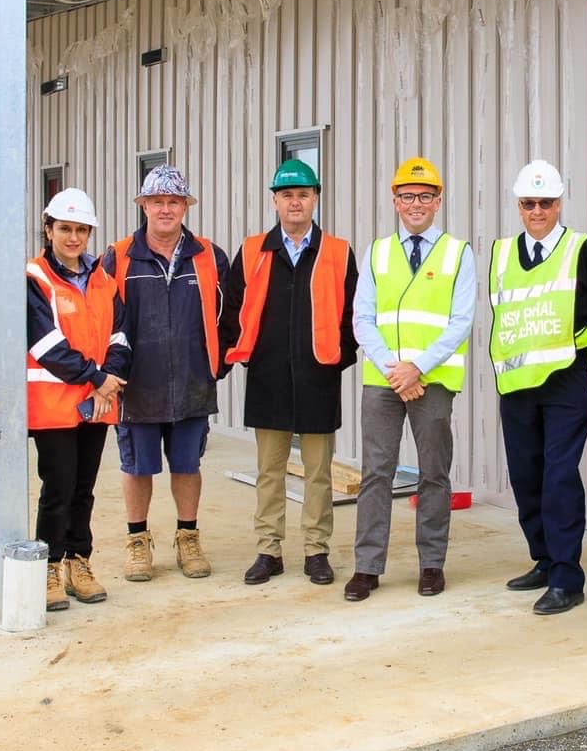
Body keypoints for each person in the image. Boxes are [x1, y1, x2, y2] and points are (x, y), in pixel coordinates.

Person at [218, 159, 358, 587]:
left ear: (315, 199)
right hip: (268, 376)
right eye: (287, 195)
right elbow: (231, 311)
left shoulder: (337, 252)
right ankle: (269, 551)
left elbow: (354, 315)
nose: (295, 202)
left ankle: (317, 551)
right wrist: (240, 358)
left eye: (303, 194)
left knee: (318, 471)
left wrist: (337, 361)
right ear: (274, 200)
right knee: (269, 470)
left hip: (319, 377)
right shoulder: (252, 250)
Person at [489, 160, 587, 616]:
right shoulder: (502, 253)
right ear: (519, 206)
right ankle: (543, 560)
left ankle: (568, 576)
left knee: (559, 477)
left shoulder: (583, 248)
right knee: (526, 475)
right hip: (517, 385)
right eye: (529, 203)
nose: (538, 211)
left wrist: (576, 352)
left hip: (566, 381)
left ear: (560, 203)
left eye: (546, 203)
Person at [346, 156, 475, 602]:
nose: (415, 204)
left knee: (434, 473)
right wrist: (394, 370)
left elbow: (461, 322)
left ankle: (432, 564)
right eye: (407, 196)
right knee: (375, 472)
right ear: (395, 201)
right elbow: (362, 318)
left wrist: (416, 368)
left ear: (438, 201)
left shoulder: (459, 253)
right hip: (385, 380)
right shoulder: (377, 252)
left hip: (431, 381)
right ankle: (367, 567)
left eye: (424, 196)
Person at [102, 164, 229, 584]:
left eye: (173, 201)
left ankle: (187, 537)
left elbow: (228, 318)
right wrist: (108, 375)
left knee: (187, 465)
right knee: (137, 467)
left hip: (194, 381)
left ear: (185, 207)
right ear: (143, 206)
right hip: (136, 386)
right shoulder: (118, 256)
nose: (165, 209)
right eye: (157, 201)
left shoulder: (210, 256)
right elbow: (102, 319)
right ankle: (138, 541)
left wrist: (219, 363)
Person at [25, 188, 130, 613]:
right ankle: (49, 568)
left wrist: (111, 377)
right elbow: (47, 344)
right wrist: (99, 377)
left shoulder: (104, 279)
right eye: (65, 228)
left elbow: (120, 334)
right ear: (48, 229)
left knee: (83, 489)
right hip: (54, 406)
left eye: (81, 230)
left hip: (97, 402)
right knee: (59, 488)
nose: (73, 237)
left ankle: (78, 563)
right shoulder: (36, 278)